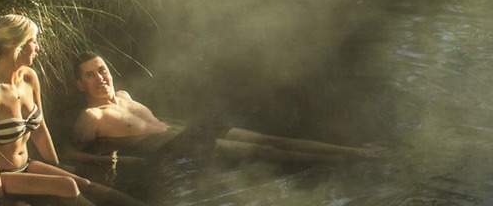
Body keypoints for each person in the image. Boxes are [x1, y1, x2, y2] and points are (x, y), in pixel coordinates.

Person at [68, 52, 381, 165]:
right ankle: (347, 162)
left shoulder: (124, 95)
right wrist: (122, 162)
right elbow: (73, 153)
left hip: (189, 130)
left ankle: (355, 153)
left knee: (271, 140)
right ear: (80, 86)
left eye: (102, 69)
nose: (100, 78)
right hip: (180, 146)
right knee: (268, 153)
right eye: (90, 74)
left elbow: (156, 121)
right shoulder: (90, 117)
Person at [0, 15, 144, 206]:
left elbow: (40, 131)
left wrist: (55, 167)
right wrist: (0, 201)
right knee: (67, 187)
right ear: (16, 45)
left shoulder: (29, 77)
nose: (38, 48)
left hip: (24, 167)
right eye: (34, 41)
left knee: (85, 184)